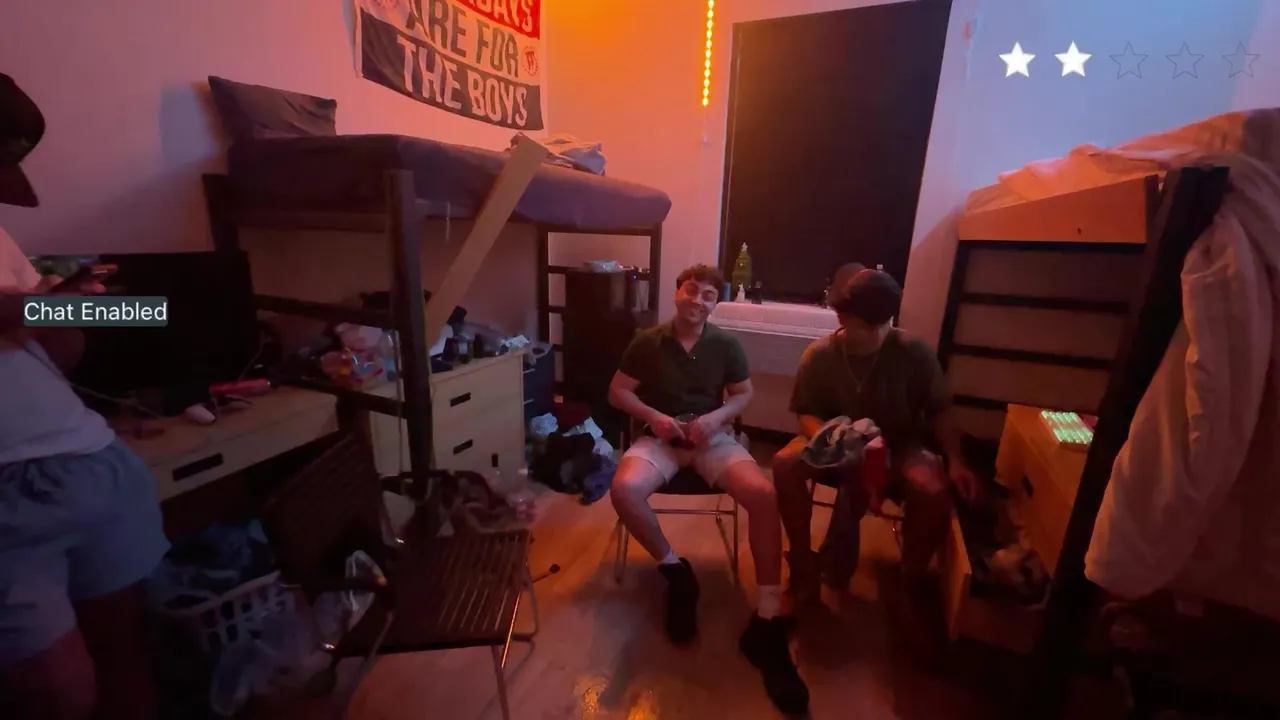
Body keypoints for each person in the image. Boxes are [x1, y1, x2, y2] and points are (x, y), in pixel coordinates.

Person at [0, 73, 169, 719]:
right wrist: (57, 308)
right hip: (12, 491)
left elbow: (57, 357)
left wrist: (69, 310)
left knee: (127, 656)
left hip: (90, 460)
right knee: (59, 693)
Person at [608, 263, 808, 717]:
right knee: (624, 489)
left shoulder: (725, 344)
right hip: (660, 438)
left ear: (716, 303)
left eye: (708, 295)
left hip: (711, 438)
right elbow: (618, 391)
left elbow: (743, 393)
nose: (697, 301)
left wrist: (718, 418)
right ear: (677, 292)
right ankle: (676, 571)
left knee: (763, 496)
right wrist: (655, 416)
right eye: (691, 290)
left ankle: (769, 611)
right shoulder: (648, 341)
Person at [772, 265, 979, 619]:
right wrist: (831, 436)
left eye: (879, 324)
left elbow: (941, 410)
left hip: (900, 446)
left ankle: (909, 580)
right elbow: (805, 411)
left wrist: (956, 459)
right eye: (861, 323)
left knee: (933, 490)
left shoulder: (913, 352)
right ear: (843, 316)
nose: (873, 332)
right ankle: (804, 567)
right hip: (836, 441)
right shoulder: (820, 355)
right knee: (784, 464)